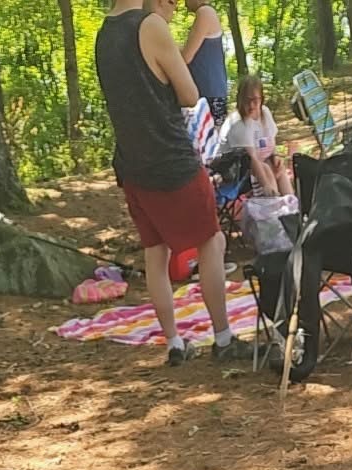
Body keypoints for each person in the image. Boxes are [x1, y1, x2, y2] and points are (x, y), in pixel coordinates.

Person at [96, 0, 242, 366]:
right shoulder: (150, 26)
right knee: (211, 241)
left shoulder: (104, 34)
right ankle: (223, 338)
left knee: (155, 253)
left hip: (132, 166)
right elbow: (190, 94)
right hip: (171, 159)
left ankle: (175, 343)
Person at [222, 75, 292, 195]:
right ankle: (273, 201)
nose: (251, 105)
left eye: (255, 100)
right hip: (236, 170)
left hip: (261, 161)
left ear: (261, 99)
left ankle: (292, 202)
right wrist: (266, 185)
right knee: (265, 169)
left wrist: (275, 156)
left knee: (278, 167)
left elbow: (271, 138)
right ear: (240, 99)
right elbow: (251, 159)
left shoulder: (265, 112)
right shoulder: (238, 123)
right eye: (247, 100)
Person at [182, 0, 230, 124]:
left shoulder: (205, 13)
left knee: (206, 135)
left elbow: (186, 57)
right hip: (210, 93)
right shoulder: (206, 13)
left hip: (209, 95)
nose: (185, 3)